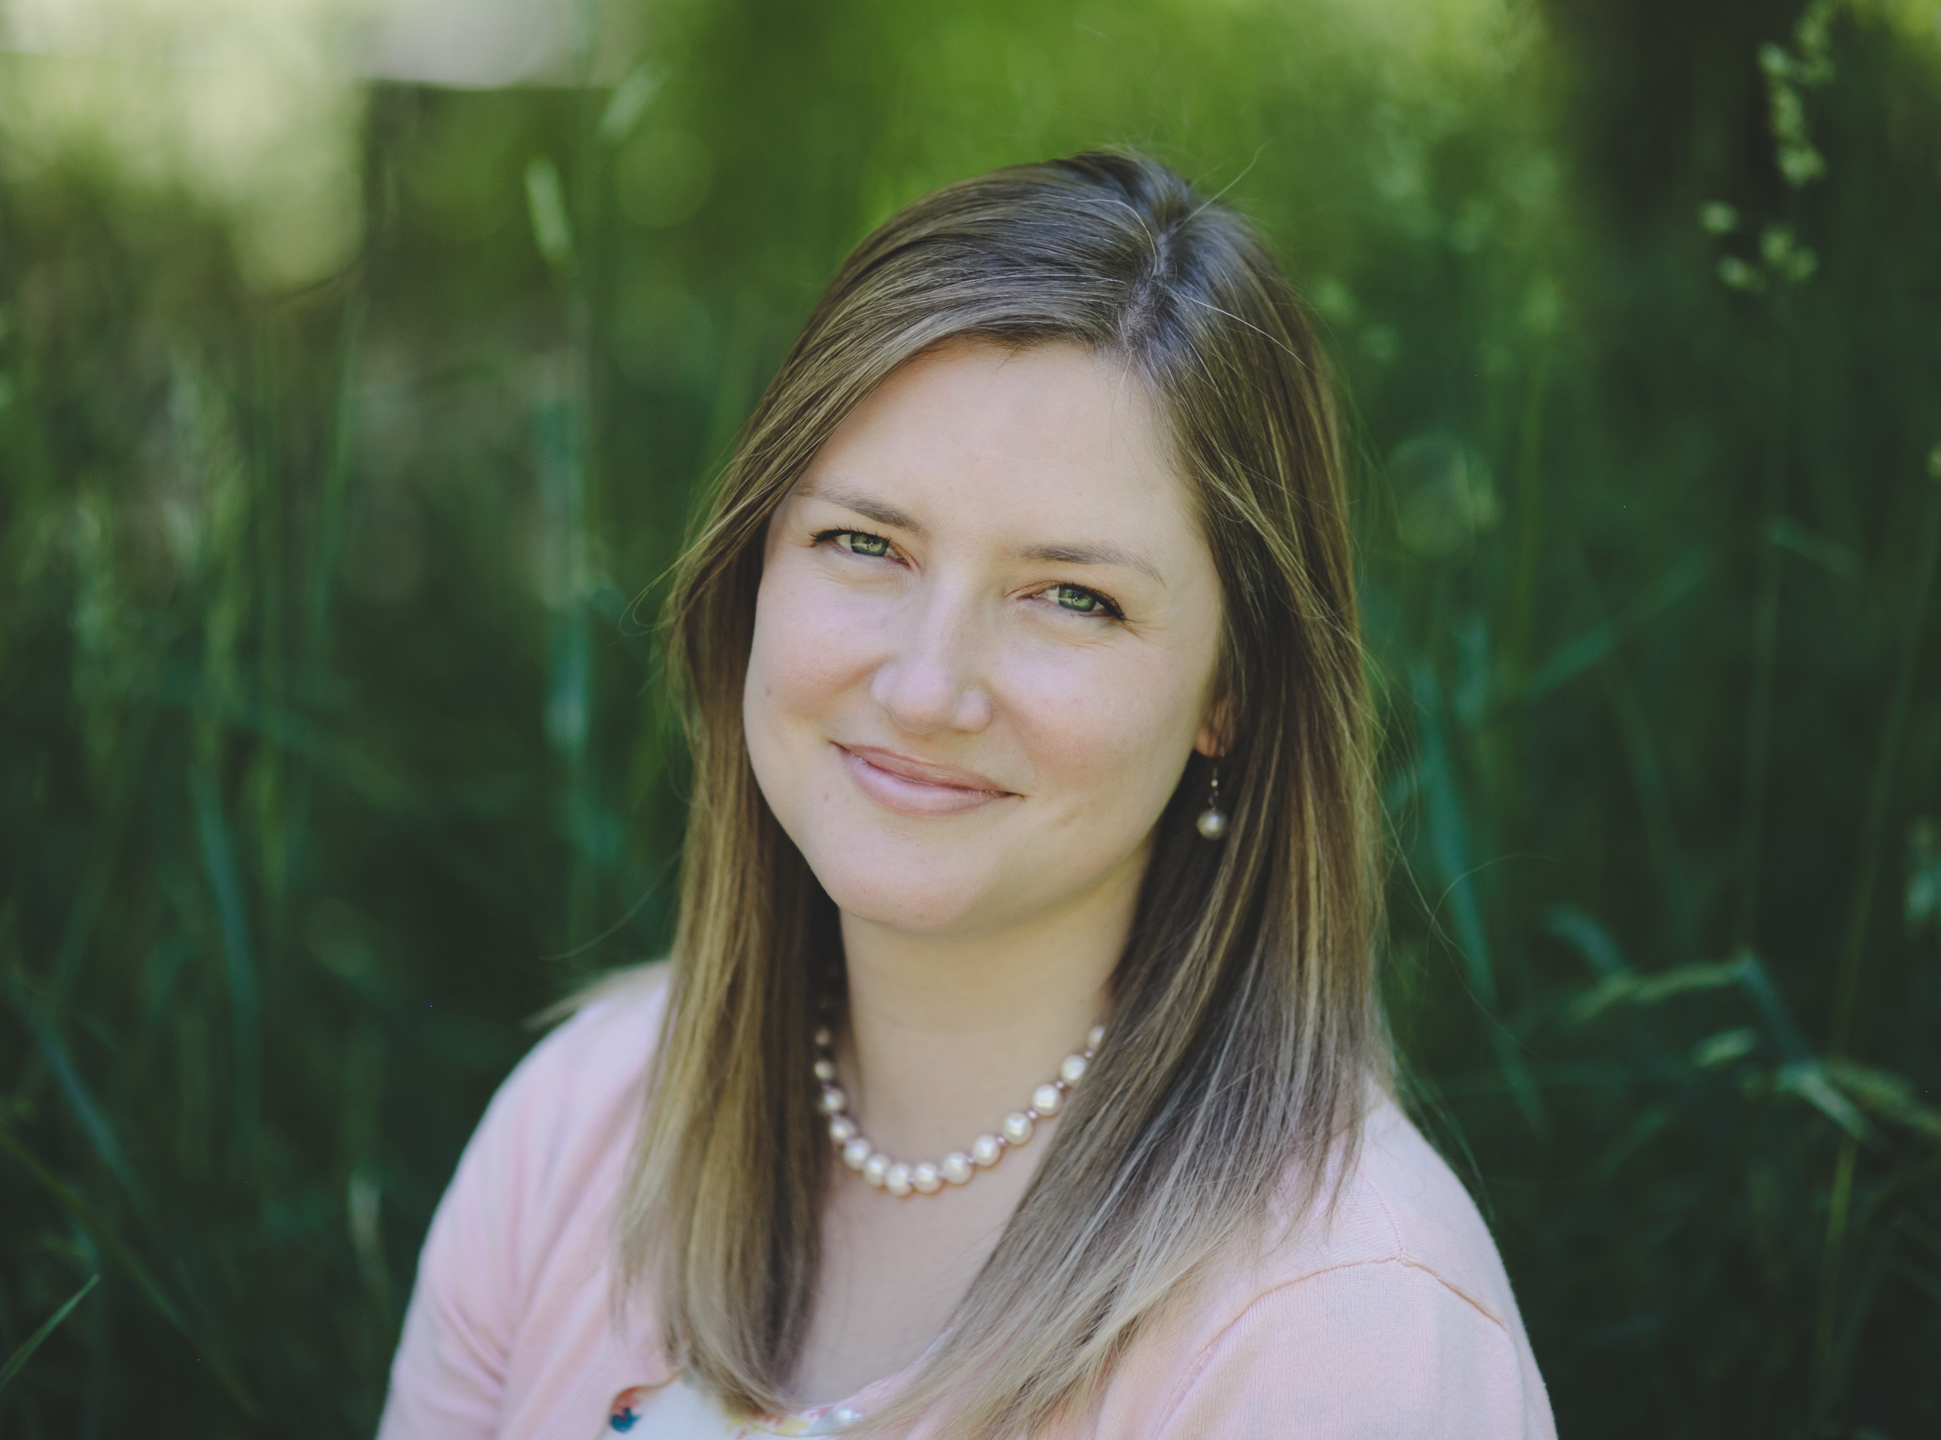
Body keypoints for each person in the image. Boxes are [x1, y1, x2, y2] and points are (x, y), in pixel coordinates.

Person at [377, 151, 1555, 1438]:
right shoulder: (579, 1127)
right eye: (865, 544)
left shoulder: (1346, 1325)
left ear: (1235, 694)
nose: (930, 686)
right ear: (753, 572)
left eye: (1073, 597)